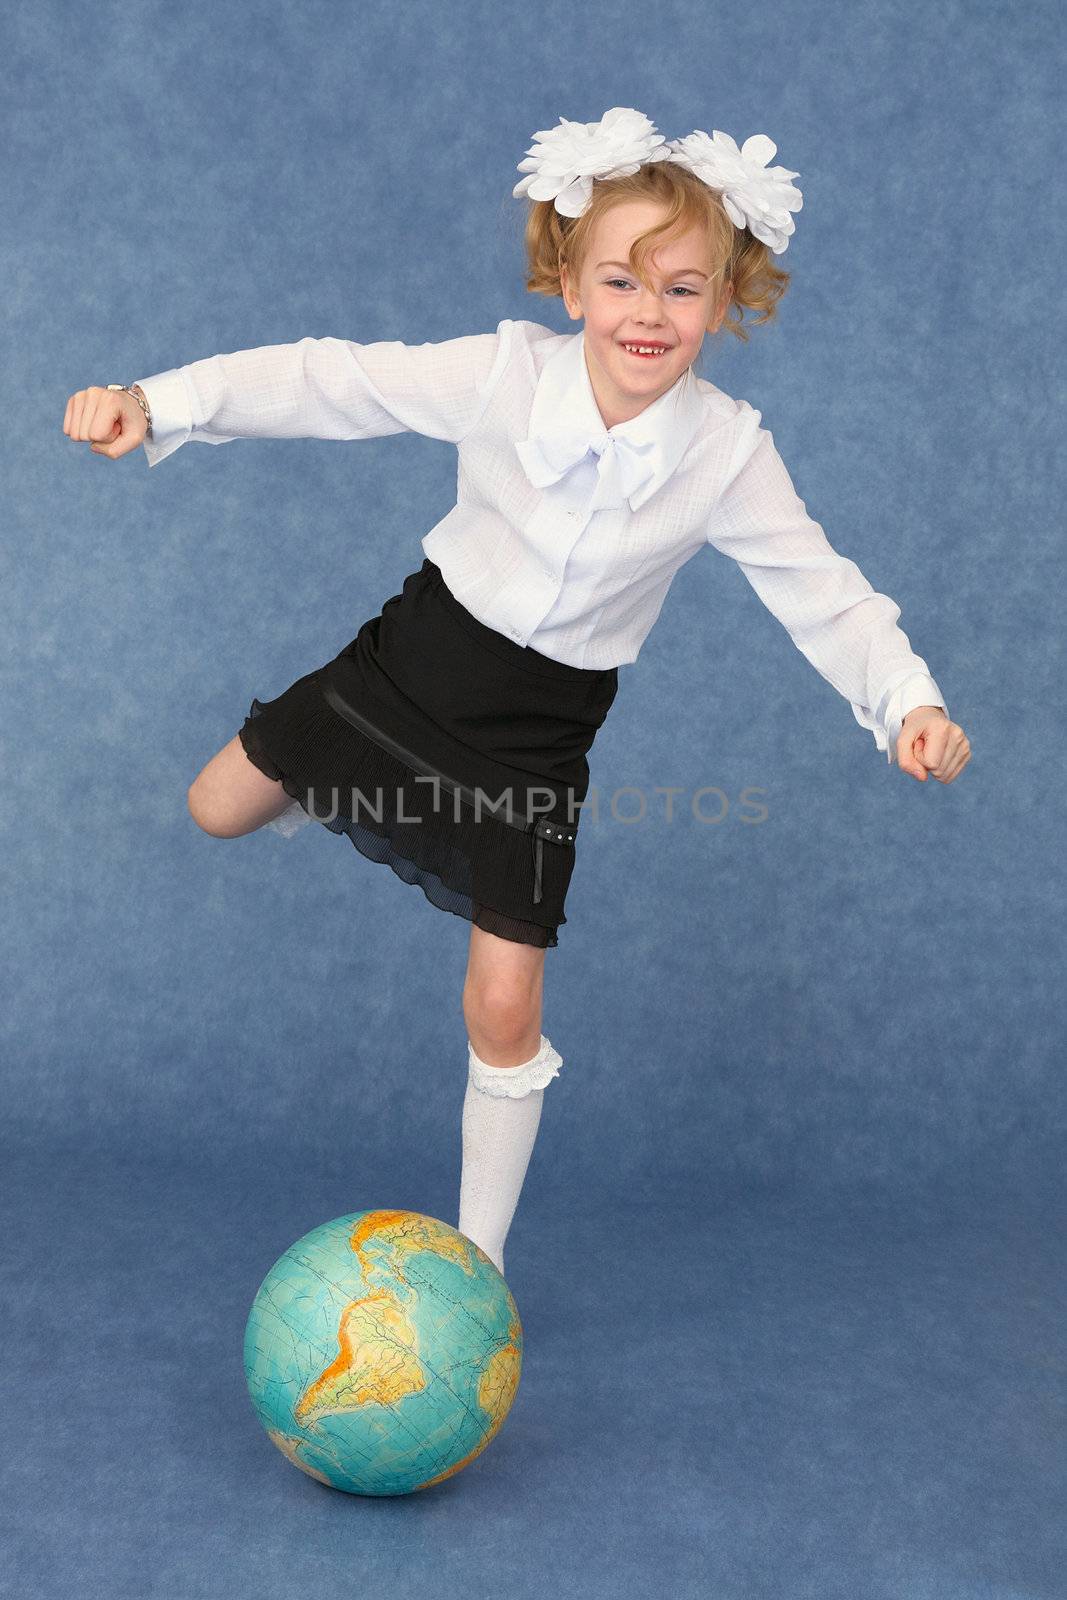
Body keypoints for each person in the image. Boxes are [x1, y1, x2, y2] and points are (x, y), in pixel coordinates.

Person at [60, 106, 972, 1277]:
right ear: (567, 281)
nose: (649, 314)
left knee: (500, 1003)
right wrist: (161, 401)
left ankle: (475, 1265)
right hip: (408, 665)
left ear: (727, 299)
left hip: (535, 745)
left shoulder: (728, 454)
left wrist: (907, 701)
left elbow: (823, 591)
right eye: (621, 282)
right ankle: (341, 788)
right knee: (215, 805)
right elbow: (330, 381)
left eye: (683, 290)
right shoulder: (499, 373)